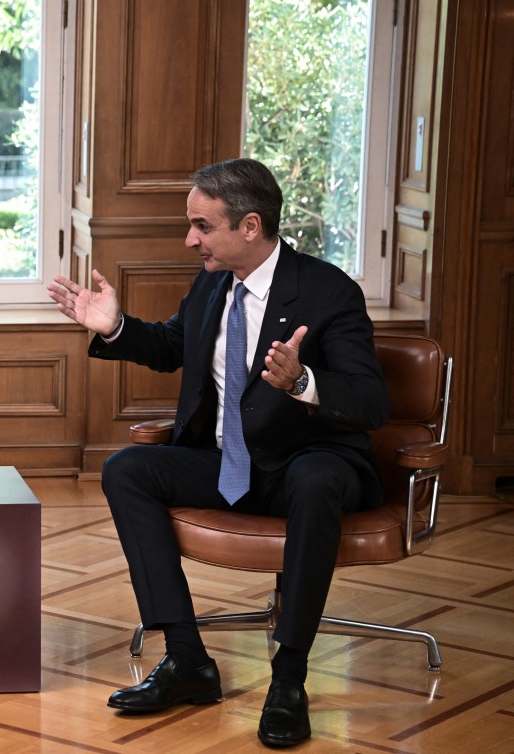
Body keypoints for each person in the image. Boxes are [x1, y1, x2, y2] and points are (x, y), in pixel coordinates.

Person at [47, 158, 388, 749]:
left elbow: (371, 401)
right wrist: (114, 327)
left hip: (308, 463)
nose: (190, 239)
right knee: (127, 469)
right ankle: (187, 661)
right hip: (231, 463)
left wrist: (303, 381)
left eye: (202, 226)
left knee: (314, 481)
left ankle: (289, 679)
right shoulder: (211, 285)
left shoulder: (329, 290)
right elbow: (173, 345)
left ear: (250, 226)